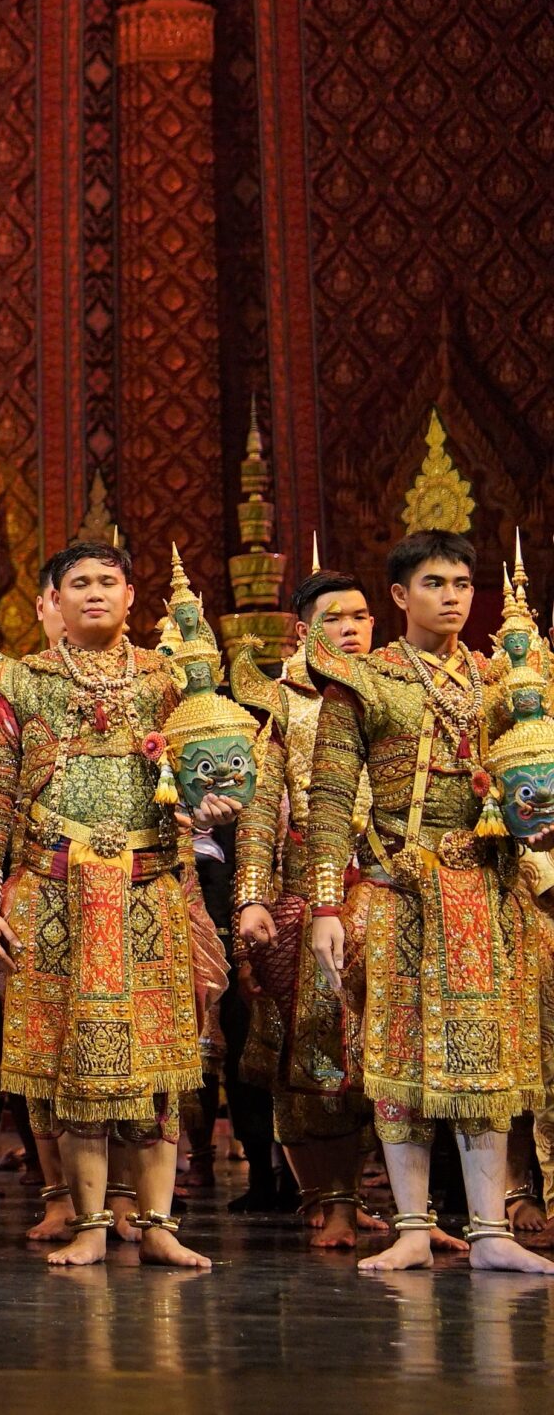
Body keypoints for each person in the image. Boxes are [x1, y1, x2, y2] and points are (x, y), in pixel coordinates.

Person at [0, 540, 222, 1270]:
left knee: (158, 1062)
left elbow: (210, 775)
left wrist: (212, 806)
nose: (96, 592)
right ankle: (89, 1222)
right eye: (80, 582)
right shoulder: (19, 684)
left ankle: (159, 1224)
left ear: (132, 596)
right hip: (54, 893)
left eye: (110, 580)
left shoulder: (173, 682)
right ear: (53, 598)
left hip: (148, 888)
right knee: (68, 1065)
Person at [308, 530, 553, 1274]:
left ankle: (490, 1230)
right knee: (398, 1053)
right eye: (435, 583)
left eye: (462, 584)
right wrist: (325, 904)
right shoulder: (364, 680)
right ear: (399, 595)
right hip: (398, 888)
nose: (452, 598)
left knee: (487, 1055)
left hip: (487, 889)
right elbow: (329, 797)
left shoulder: (500, 681)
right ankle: (412, 1226)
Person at [232, 567, 381, 1247]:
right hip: (303, 896)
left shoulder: (390, 690)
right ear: (303, 630)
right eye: (334, 618)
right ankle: (325, 1193)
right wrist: (251, 897)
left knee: (377, 1045)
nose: (350, 629)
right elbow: (261, 809)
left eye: (360, 617)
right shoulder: (285, 704)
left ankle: (358, 1192)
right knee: (313, 1050)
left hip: (381, 886)